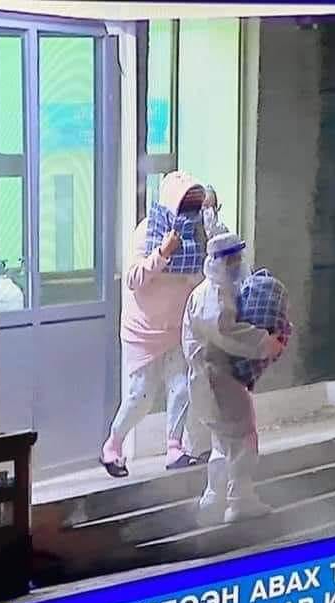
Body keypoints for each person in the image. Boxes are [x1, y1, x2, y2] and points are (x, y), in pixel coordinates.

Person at [100, 171, 214, 477]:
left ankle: (175, 447)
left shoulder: (197, 236)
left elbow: (203, 276)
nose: (189, 214)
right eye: (184, 205)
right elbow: (133, 278)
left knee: (181, 387)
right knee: (140, 396)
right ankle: (113, 446)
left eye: (194, 206)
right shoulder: (146, 232)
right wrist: (163, 253)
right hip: (143, 331)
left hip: (177, 327)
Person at [183, 232, 286, 523]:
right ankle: (240, 500)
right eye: (233, 259)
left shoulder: (215, 291)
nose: (238, 264)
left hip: (212, 379)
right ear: (219, 261)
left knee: (223, 442)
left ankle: (214, 497)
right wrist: (266, 342)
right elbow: (228, 333)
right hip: (216, 379)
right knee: (242, 439)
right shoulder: (212, 296)